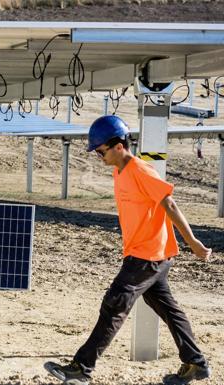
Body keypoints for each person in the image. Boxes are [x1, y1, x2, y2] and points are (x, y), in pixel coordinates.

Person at [43, 115, 212, 385]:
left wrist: (192, 242)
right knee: (168, 309)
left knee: (114, 305)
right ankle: (196, 363)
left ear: (118, 145)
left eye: (100, 151)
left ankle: (81, 368)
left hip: (146, 256)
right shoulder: (119, 171)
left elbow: (169, 204)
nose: (99, 156)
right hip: (151, 254)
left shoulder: (140, 170)